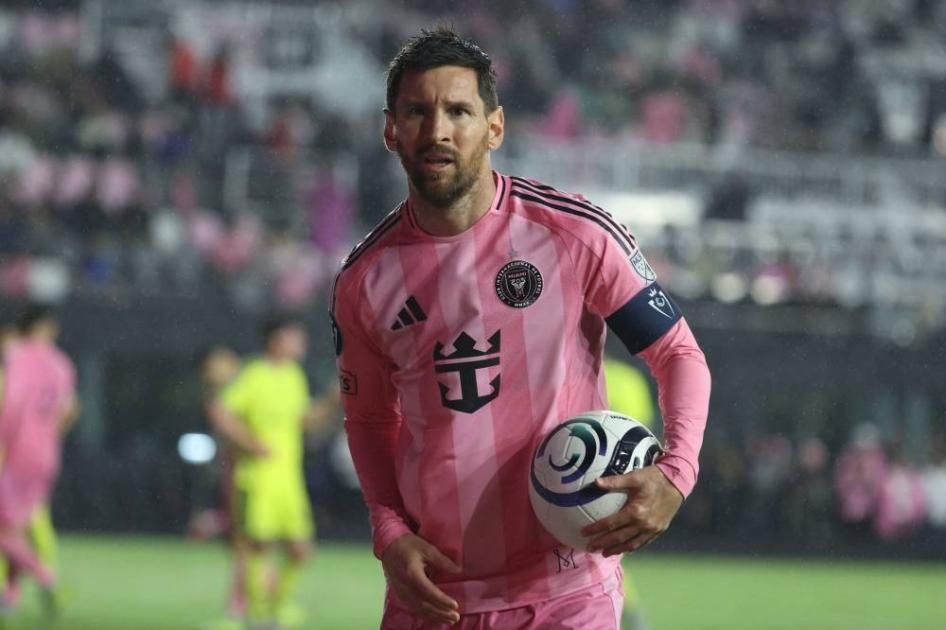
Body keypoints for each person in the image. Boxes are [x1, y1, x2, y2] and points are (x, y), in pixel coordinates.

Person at [331, 27, 711, 629]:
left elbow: (678, 353)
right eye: (417, 112)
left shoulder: (575, 234)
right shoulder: (364, 279)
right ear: (390, 130)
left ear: (495, 127)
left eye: (459, 111)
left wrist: (676, 474)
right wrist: (388, 529)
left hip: (566, 595)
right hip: (431, 597)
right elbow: (370, 420)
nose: (437, 130)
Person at [207, 317, 330, 629]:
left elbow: (303, 421)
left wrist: (332, 401)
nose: (301, 343)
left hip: (289, 479)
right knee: (258, 546)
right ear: (276, 339)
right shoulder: (254, 374)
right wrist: (251, 442)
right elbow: (220, 411)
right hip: (258, 476)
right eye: (295, 337)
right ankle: (259, 614)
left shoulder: (294, 376)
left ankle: (279, 605)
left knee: (300, 549)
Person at [0, 306, 78, 617]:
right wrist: (46, 436)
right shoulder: (62, 363)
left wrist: (8, 443)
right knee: (16, 526)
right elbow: (70, 409)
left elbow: (13, 405)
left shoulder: (18, 358)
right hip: (46, 454)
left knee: (5, 529)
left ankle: (47, 579)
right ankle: (10, 596)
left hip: (16, 452)